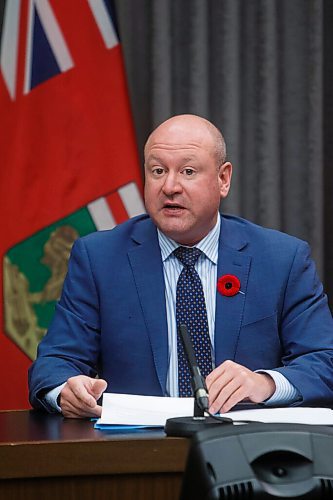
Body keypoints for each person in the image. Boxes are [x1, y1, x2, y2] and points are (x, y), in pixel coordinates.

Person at [29, 114, 333, 418]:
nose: (170, 186)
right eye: (158, 171)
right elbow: (54, 364)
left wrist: (265, 383)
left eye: (188, 171)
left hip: (245, 451)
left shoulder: (281, 259)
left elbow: (324, 360)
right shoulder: (99, 258)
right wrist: (67, 391)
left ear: (223, 179)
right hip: (135, 451)